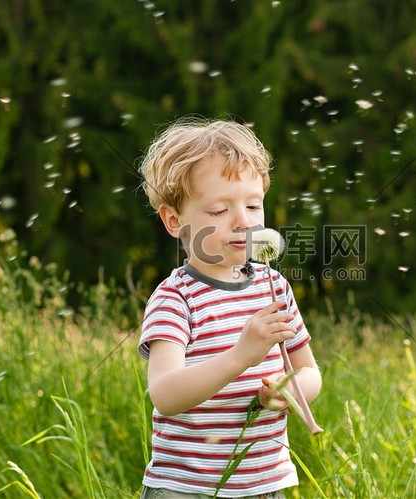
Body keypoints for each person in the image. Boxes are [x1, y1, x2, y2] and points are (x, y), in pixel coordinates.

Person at [136, 117, 322, 498]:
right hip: (187, 487)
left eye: (254, 206)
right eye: (219, 211)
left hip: (264, 483)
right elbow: (166, 395)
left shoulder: (276, 289)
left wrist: (290, 389)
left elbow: (309, 371)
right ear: (175, 220)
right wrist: (241, 356)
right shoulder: (176, 299)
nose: (243, 221)